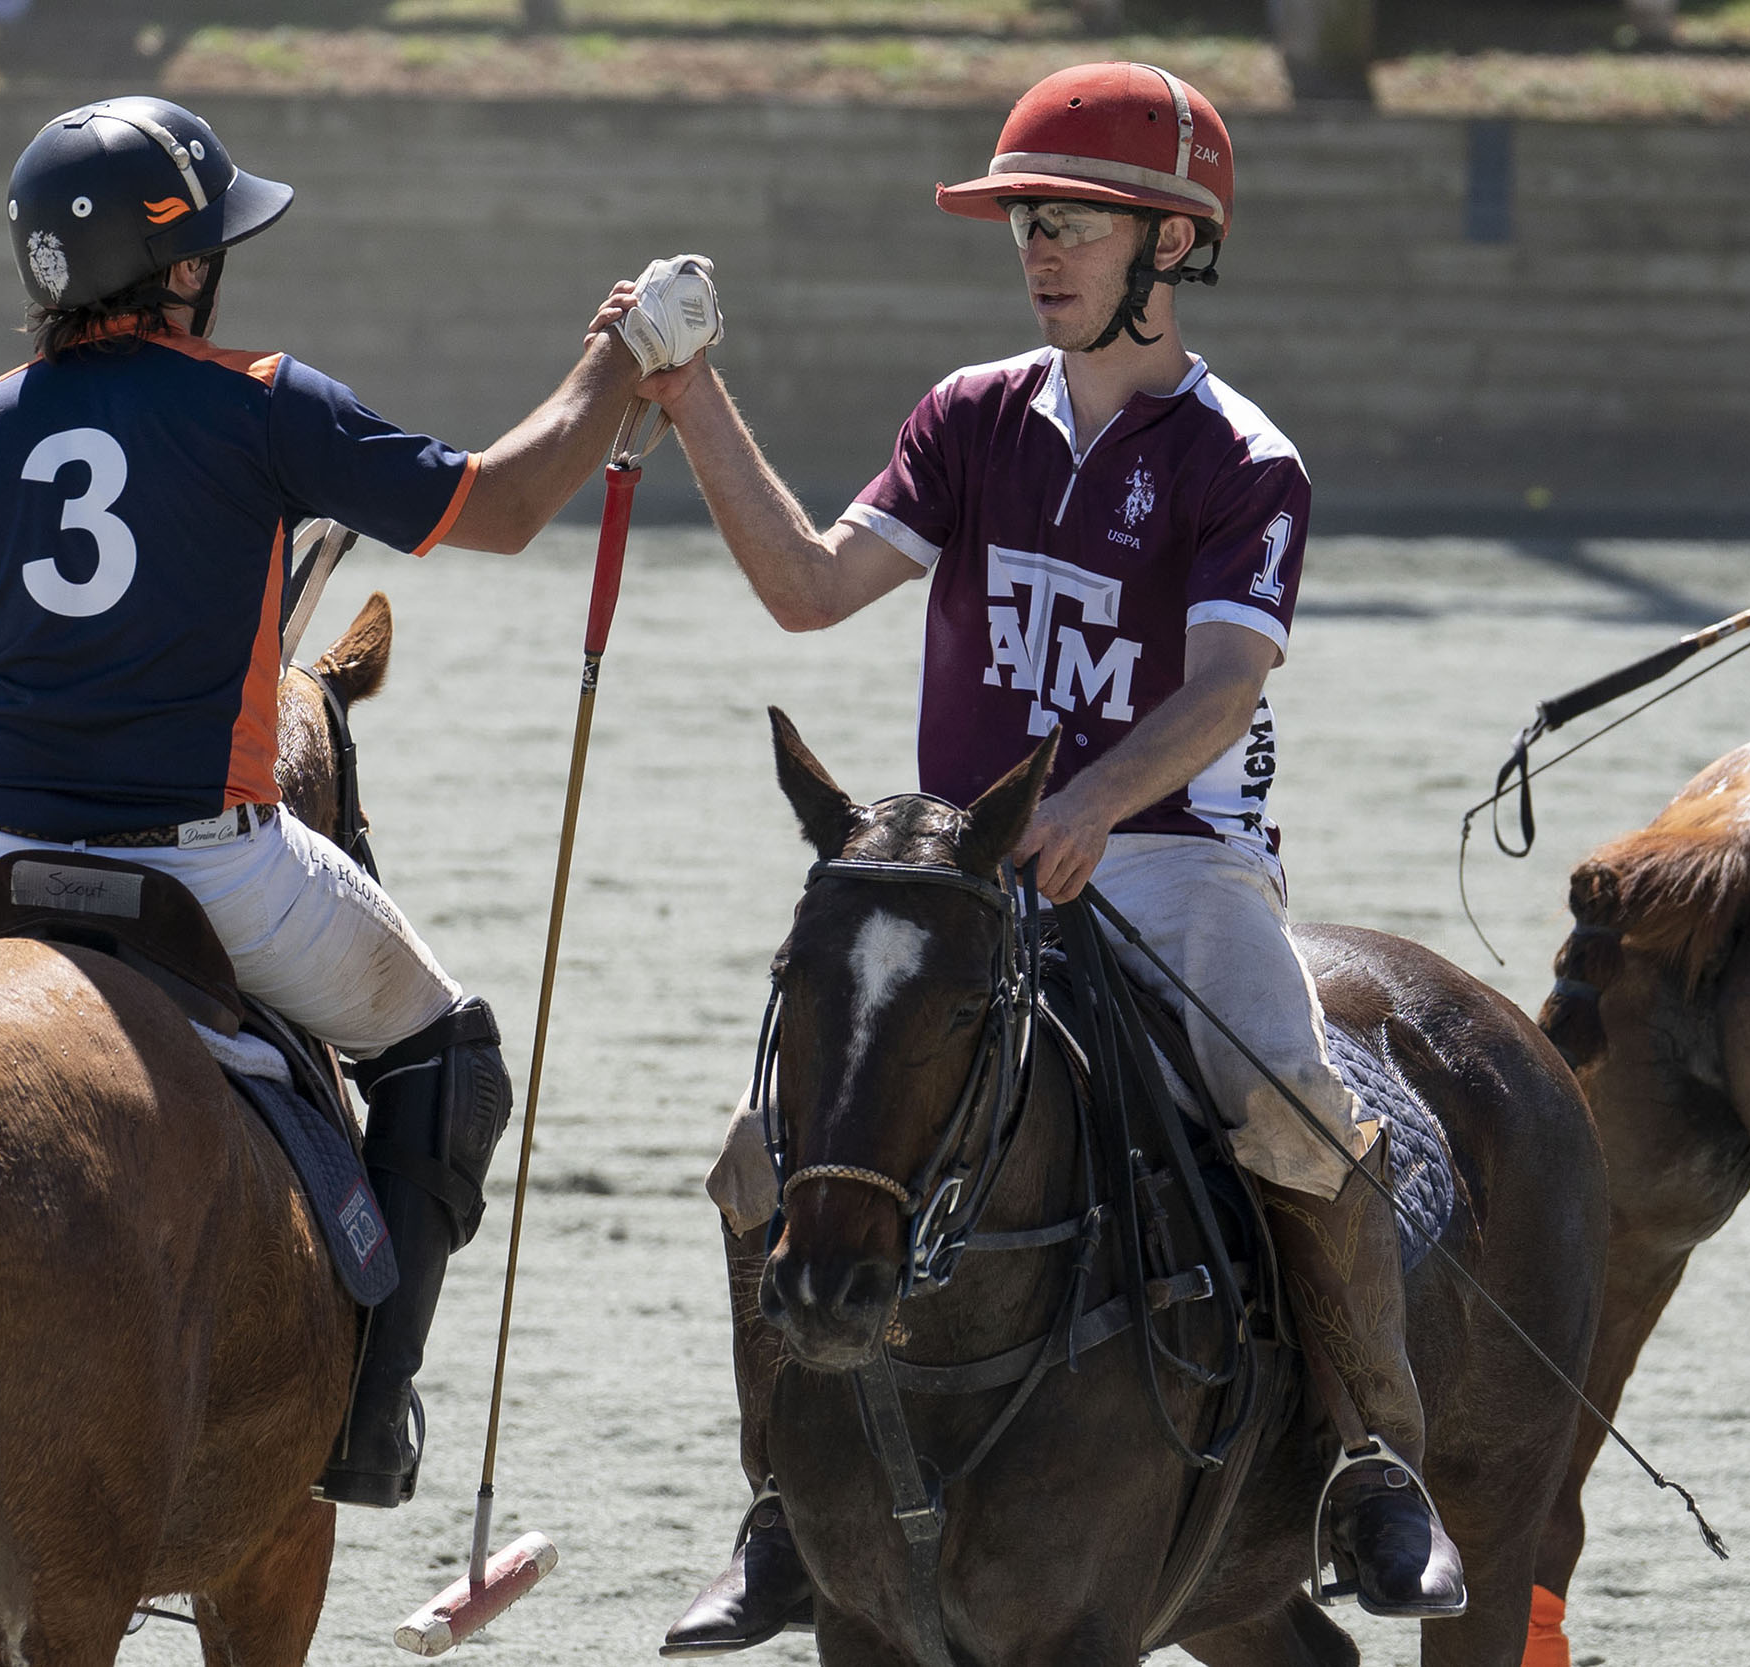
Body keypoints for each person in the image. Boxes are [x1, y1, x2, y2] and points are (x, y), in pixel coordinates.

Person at [628, 62, 1468, 1652]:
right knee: (767, 1150)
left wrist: (1093, 807)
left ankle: (1371, 1460)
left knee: (1296, 1117)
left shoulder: (1243, 461)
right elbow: (810, 591)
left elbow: (1224, 688)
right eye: (1028, 225)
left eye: (1074, 225)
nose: (1041, 252)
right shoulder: (970, 420)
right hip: (969, 870)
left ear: (1169, 243)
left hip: (1173, 857)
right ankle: (781, 1508)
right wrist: (690, 401)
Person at [0, 96, 723, 1510]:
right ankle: (368, 1423)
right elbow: (494, 506)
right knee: (450, 1054)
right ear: (180, 271)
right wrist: (614, 360)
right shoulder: (262, 400)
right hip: (209, 873)